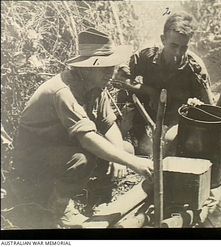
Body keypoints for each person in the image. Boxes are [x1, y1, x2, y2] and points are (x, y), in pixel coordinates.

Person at [9, 28, 153, 229]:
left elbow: (108, 125)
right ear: (85, 68)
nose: (110, 74)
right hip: (33, 157)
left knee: (124, 149)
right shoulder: (63, 91)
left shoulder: (95, 87)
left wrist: (123, 156)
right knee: (83, 160)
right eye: (104, 68)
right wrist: (132, 163)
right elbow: (87, 139)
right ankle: (57, 208)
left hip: (63, 148)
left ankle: (98, 195)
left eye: (111, 67)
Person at [113, 11, 214, 155]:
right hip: (149, 109)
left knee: (172, 142)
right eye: (173, 46)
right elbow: (120, 78)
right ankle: (137, 139)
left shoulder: (195, 67)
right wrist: (150, 91)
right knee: (125, 96)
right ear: (163, 40)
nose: (178, 53)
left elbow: (210, 108)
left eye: (184, 47)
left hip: (178, 116)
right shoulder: (147, 55)